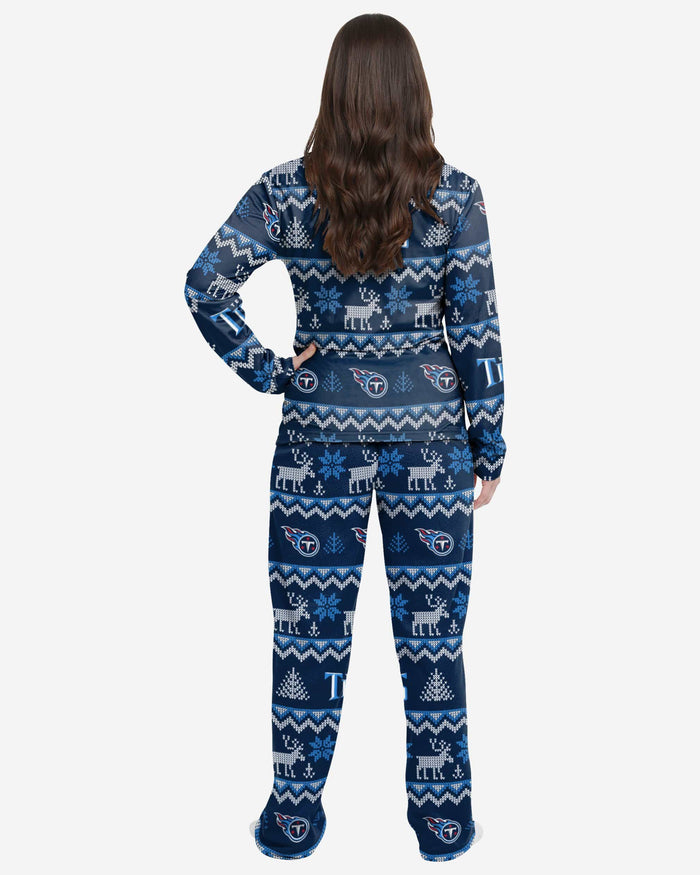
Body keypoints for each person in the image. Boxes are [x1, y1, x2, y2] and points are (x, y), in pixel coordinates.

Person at [183, 12, 506, 862]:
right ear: (414, 92)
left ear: (335, 91)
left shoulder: (284, 192)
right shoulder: (458, 197)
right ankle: (443, 824)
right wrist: (491, 442)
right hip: (432, 444)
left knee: (307, 638)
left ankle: (292, 822)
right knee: (433, 641)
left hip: (315, 441)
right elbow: (476, 328)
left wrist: (272, 371)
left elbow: (205, 283)